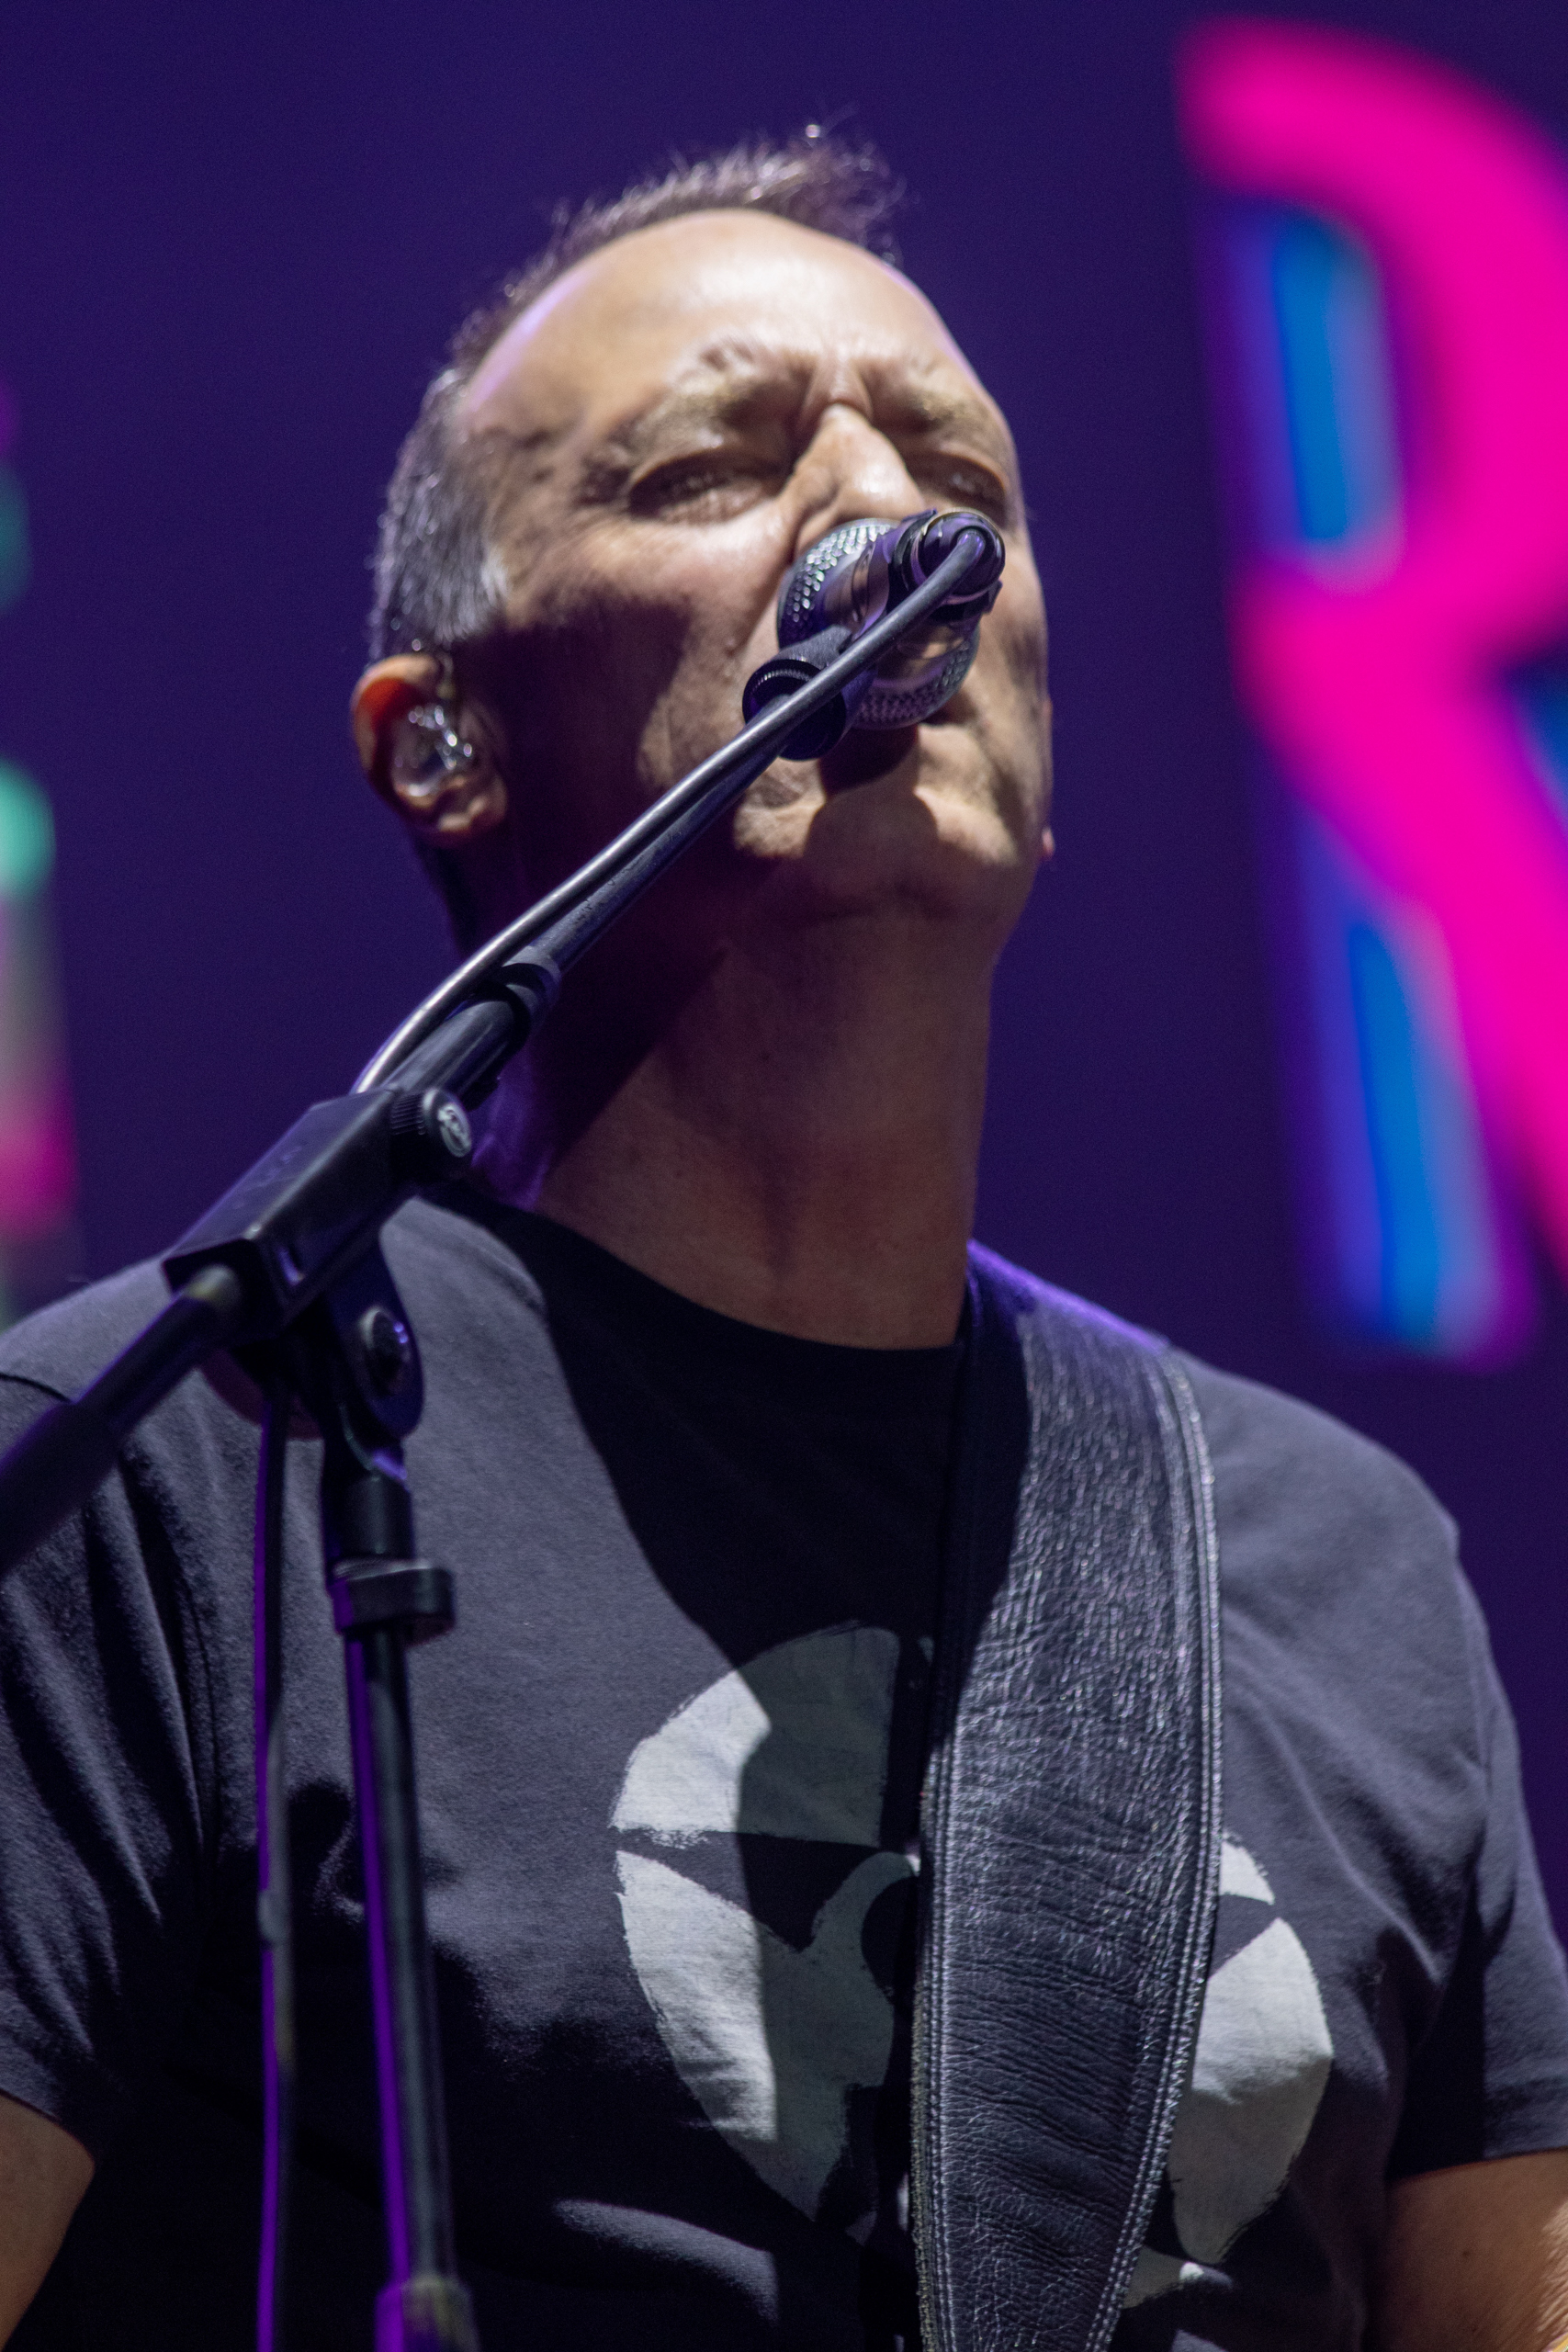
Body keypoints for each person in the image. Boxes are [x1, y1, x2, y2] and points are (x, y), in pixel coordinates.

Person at [0, 130, 1563, 2352]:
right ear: (440, 743)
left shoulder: (1337, 1563)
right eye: (711, 466)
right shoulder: (150, 1476)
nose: (881, 516)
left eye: (959, 480)